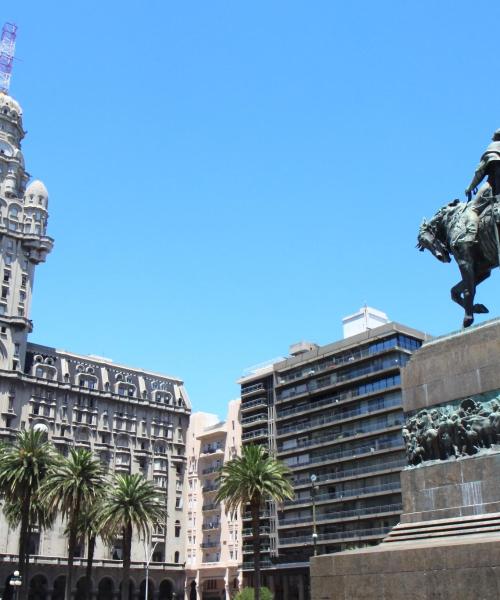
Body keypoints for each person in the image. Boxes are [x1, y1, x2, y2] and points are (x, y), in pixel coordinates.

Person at [466, 129, 500, 200]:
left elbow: (480, 170)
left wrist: (471, 187)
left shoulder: (494, 145)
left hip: (493, 178)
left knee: (473, 207)